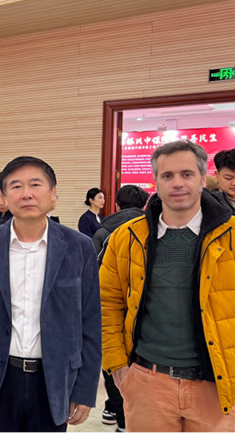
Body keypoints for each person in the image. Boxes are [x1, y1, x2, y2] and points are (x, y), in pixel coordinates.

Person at [100, 140, 235, 432]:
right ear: (156, 181)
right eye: (167, 175)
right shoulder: (127, 237)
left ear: (202, 179)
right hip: (147, 384)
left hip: (216, 387)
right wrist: (119, 370)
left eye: (186, 174)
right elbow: (106, 304)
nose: (177, 183)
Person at [0, 156, 101, 432]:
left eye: (35, 184)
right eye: (16, 186)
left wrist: (85, 390)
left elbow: (90, 322)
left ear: (53, 194)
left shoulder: (79, 247)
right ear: (5, 197)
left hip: (53, 381)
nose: (26, 193)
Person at [91, 184, 149, 431]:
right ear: (144, 205)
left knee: (113, 357)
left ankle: (115, 409)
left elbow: (93, 274)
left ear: (116, 205)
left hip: (109, 307)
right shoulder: (152, 229)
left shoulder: (103, 232)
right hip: (143, 310)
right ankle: (132, 415)